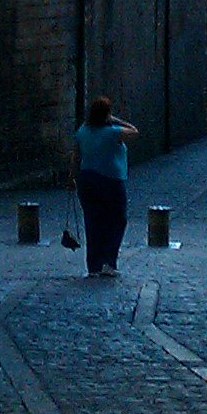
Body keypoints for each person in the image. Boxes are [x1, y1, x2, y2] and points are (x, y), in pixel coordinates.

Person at [72, 95, 139, 278]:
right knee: (117, 220)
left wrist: (72, 177)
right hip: (111, 181)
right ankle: (108, 262)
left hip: (87, 180)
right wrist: (115, 120)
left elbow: (76, 156)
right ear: (107, 114)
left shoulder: (82, 131)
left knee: (93, 221)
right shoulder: (114, 132)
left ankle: (93, 265)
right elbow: (134, 131)